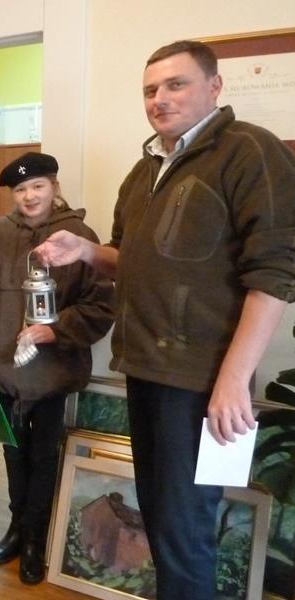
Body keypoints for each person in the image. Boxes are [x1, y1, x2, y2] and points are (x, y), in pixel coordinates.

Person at [34, 40, 295, 599]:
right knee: (160, 519)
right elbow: (130, 260)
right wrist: (85, 252)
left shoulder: (250, 151)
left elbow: (274, 274)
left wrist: (232, 380)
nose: (160, 98)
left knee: (184, 532)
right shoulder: (144, 170)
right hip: (145, 369)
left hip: (202, 381)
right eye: (150, 89)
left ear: (214, 86)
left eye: (176, 84)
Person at [0, 152, 114, 584]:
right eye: (20, 189)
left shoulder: (80, 236)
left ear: (54, 187)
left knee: (45, 456)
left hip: (55, 374)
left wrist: (55, 330)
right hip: (3, 372)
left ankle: (36, 537)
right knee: (13, 454)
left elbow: (100, 305)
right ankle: (16, 527)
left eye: (37, 186)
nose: (29, 196)